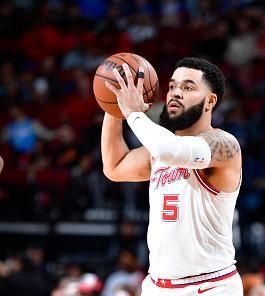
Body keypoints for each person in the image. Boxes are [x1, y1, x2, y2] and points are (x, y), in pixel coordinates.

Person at [101, 57, 243, 296]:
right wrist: (115, 107)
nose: (176, 93)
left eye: (188, 87)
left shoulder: (224, 145)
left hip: (210, 286)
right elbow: (114, 167)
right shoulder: (159, 149)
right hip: (158, 286)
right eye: (172, 86)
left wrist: (133, 112)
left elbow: (169, 150)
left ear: (210, 101)